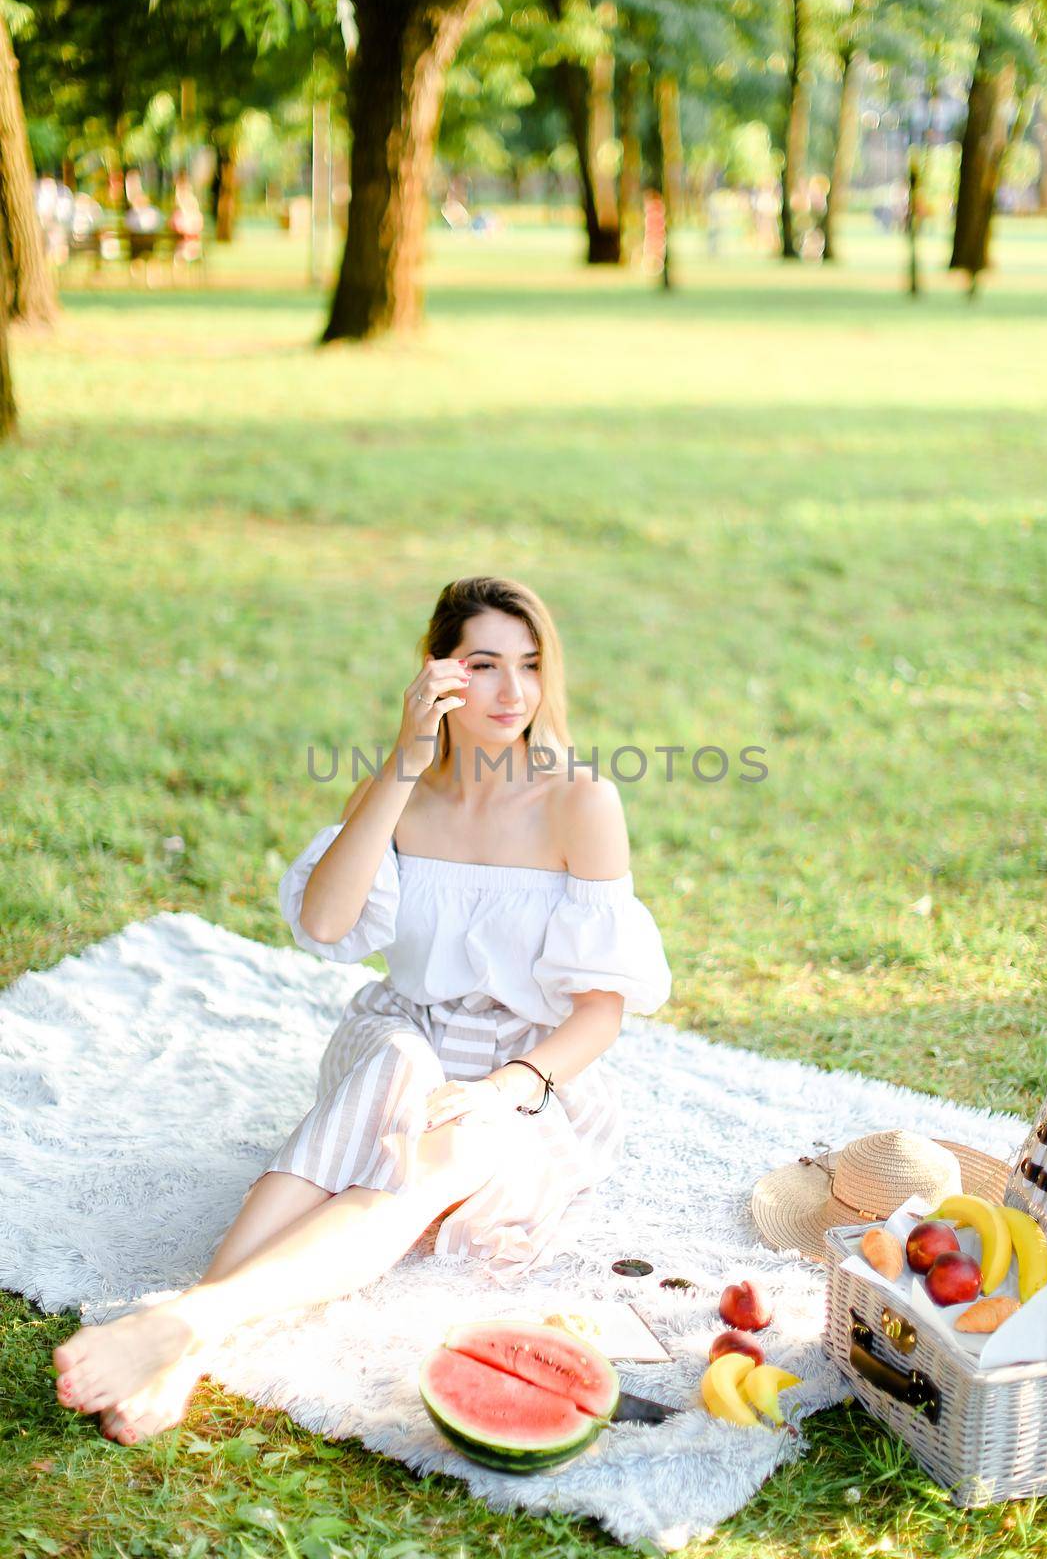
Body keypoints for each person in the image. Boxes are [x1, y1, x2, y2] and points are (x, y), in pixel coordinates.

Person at [52, 575, 673, 1445]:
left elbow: (601, 1013)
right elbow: (326, 921)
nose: (511, 693)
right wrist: (404, 760)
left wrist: (507, 1084)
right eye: (484, 665)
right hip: (407, 1023)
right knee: (390, 1069)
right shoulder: (403, 792)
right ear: (436, 674)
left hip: (526, 1066)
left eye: (529, 666)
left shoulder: (580, 801)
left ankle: (182, 1333)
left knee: (435, 1156)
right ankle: (188, 1337)